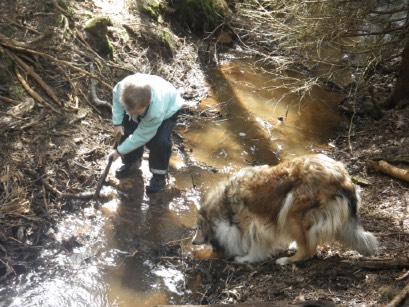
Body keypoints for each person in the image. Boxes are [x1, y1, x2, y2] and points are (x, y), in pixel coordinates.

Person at [109, 73, 184, 193]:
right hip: (144, 102)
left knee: (159, 141)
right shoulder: (121, 89)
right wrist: (117, 123)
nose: (133, 113)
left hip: (169, 108)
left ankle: (159, 176)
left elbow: (141, 136)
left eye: (137, 112)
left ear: (147, 104)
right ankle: (132, 162)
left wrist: (119, 151)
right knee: (127, 128)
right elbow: (117, 104)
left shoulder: (156, 111)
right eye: (129, 109)